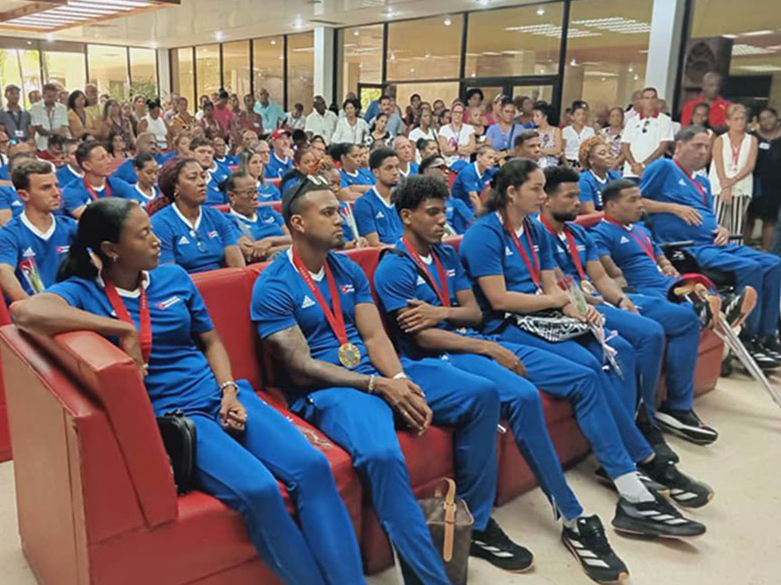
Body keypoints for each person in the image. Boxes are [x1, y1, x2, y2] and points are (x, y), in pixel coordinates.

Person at [12, 197, 366, 585]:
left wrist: (229, 390)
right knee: (259, 490)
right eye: (143, 234)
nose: (156, 240)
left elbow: (211, 342)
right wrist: (122, 329)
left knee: (313, 468)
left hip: (222, 394)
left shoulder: (173, 277)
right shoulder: (82, 291)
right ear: (111, 250)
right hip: (178, 416)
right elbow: (25, 313)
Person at [250, 178, 506, 585]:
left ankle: (476, 521)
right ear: (298, 223)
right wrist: (375, 386)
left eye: (340, 210)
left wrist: (398, 378)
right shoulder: (273, 284)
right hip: (333, 389)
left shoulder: (348, 268)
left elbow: (373, 336)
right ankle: (429, 578)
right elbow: (299, 366)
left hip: (381, 370)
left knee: (481, 394)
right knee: (383, 457)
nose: (341, 220)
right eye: (330, 213)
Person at [373, 176, 628, 583]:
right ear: (406, 216)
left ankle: (572, 509)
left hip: (469, 339)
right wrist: (484, 346)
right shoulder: (393, 267)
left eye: (444, 210)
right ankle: (566, 514)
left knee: (545, 387)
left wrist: (442, 312)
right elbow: (420, 336)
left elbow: (473, 312)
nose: (443, 221)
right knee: (512, 394)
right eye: (432, 213)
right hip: (433, 357)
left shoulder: (446, 257)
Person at [459, 158, 711, 532]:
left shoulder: (534, 231)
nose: (543, 196)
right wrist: (560, 303)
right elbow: (499, 300)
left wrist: (578, 310)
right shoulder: (484, 234)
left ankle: (631, 460)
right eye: (536, 188)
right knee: (588, 370)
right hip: (508, 325)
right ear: (512, 193)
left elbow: (550, 284)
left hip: (545, 315)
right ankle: (635, 465)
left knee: (616, 350)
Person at [544, 168, 717, 447]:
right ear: (546, 199)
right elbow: (558, 283)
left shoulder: (578, 232)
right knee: (649, 333)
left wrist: (622, 300)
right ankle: (643, 417)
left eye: (578, 194)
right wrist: (594, 303)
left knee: (682, 319)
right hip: (574, 304)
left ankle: (663, 409)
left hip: (604, 296)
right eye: (570, 195)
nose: (578, 201)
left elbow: (600, 276)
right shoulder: (539, 235)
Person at [641, 125, 781, 361]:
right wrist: (672, 208)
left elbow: (708, 216)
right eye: (697, 146)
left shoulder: (704, 181)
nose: (702, 151)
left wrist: (723, 228)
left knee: (774, 262)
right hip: (686, 247)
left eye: (706, 147)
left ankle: (768, 334)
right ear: (680, 146)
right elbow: (637, 201)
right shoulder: (663, 167)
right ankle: (747, 338)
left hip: (714, 242)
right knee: (751, 268)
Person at [0, 161, 75, 301]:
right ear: (24, 195)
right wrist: (32, 308)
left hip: (71, 305)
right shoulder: (9, 234)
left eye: (57, 185)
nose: (56, 193)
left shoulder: (70, 227)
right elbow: (3, 272)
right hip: (34, 310)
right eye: (46, 188)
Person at [149, 158, 245, 273]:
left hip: (222, 284)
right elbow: (169, 278)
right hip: (185, 288)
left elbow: (238, 269)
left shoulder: (216, 217)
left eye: (203, 177)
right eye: (192, 178)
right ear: (175, 186)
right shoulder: (160, 223)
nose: (201, 183)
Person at [709, 104, 757, 236]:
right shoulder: (720, 140)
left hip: (741, 186)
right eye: (736, 119)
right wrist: (725, 185)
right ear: (728, 121)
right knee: (716, 222)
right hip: (719, 186)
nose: (740, 122)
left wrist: (732, 181)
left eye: (742, 118)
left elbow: (750, 165)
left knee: (736, 225)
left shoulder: (751, 140)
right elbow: (718, 164)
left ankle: (734, 252)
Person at [222, 172, 291, 263]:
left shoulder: (268, 211)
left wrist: (270, 241)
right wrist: (290, 248)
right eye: (249, 193)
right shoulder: (228, 221)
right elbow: (250, 252)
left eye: (256, 191)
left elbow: (293, 238)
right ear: (232, 196)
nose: (255, 197)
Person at [62, 140, 135, 218]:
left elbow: (134, 208)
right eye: (101, 158)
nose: (109, 161)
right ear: (87, 165)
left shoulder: (118, 184)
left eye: (108, 156)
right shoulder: (72, 190)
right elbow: (88, 218)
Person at [354, 147, 402, 246]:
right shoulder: (364, 204)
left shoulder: (403, 198)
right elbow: (374, 244)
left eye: (397, 167)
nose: (395, 172)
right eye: (389, 168)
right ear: (376, 172)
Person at [621, 87, 673, 177]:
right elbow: (625, 146)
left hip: (654, 170)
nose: (650, 101)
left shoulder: (665, 120)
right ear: (641, 101)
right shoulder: (632, 121)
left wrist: (643, 165)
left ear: (657, 100)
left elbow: (663, 146)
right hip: (631, 171)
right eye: (647, 98)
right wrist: (633, 164)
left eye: (653, 98)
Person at [416, 157, 474, 235]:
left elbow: (476, 227)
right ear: (426, 171)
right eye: (441, 168)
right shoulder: (414, 204)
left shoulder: (456, 204)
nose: (447, 172)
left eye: (448, 168)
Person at [750, 108, 781, 251]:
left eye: (769, 117)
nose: (766, 121)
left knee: (770, 220)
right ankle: (743, 249)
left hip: (776, 186)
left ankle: (766, 253)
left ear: (777, 118)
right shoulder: (752, 137)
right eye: (763, 118)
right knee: (748, 218)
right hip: (754, 183)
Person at [0, 152, 38, 226]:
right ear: (10, 175)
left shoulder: (47, 191)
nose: (28, 172)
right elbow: (7, 225)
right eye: (22, 168)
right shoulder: (0, 192)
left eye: (33, 168)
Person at [577, 136, 622, 214]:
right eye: (602, 153)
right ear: (590, 160)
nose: (609, 156)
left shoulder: (616, 176)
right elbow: (589, 212)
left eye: (610, 152)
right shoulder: (583, 180)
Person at [452, 144, 497, 215]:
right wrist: (482, 217)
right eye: (489, 158)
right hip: (461, 206)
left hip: (474, 204)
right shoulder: (468, 172)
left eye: (494, 159)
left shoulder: (490, 170)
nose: (492, 161)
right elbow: (473, 197)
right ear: (479, 157)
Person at [188, 137, 231, 206]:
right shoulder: (184, 181)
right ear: (190, 154)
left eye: (209, 153)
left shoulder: (219, 181)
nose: (207, 155)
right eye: (202, 152)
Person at [30, 83, 69, 151]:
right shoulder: (36, 107)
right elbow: (39, 129)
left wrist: (52, 132)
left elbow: (63, 128)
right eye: (49, 96)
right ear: (43, 95)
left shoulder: (62, 108)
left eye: (54, 96)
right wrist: (55, 132)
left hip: (58, 145)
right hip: (42, 145)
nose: (52, 99)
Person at [485, 97, 526, 162]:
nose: (510, 114)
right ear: (501, 112)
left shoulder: (520, 129)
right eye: (507, 112)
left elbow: (523, 149)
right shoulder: (492, 129)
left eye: (512, 112)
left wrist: (505, 153)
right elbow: (487, 149)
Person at [437, 101, 474, 166]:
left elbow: (472, 148)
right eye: (455, 112)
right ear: (451, 113)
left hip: (465, 165)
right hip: (448, 165)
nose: (458, 115)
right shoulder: (443, 129)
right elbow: (444, 150)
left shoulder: (469, 129)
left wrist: (452, 149)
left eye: (460, 113)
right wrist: (460, 148)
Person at [561, 101, 595, 168]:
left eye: (583, 114)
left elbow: (592, 149)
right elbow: (562, 150)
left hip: (584, 163)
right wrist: (568, 166)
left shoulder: (590, 131)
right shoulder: (566, 131)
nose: (581, 117)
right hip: (569, 162)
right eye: (578, 114)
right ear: (572, 117)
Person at [532, 102, 562, 169]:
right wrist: (549, 151)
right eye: (533, 116)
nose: (534, 118)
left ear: (545, 117)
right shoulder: (533, 132)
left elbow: (557, 150)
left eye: (537, 116)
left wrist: (540, 150)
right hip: (536, 165)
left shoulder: (556, 131)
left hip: (552, 166)